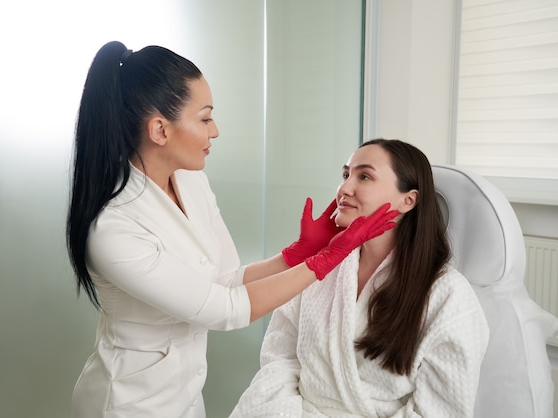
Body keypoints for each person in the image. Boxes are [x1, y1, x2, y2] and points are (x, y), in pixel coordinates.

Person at [66, 41, 398, 418]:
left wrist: (297, 253)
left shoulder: (190, 183)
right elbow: (223, 310)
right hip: (129, 403)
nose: (216, 130)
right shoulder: (113, 229)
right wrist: (323, 261)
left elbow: (225, 279)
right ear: (160, 129)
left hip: (187, 395)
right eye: (205, 118)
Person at [229, 139, 490, 418]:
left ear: (408, 200)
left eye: (364, 176)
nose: (344, 189)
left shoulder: (448, 296)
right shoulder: (321, 270)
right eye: (345, 175)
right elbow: (278, 360)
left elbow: (439, 410)